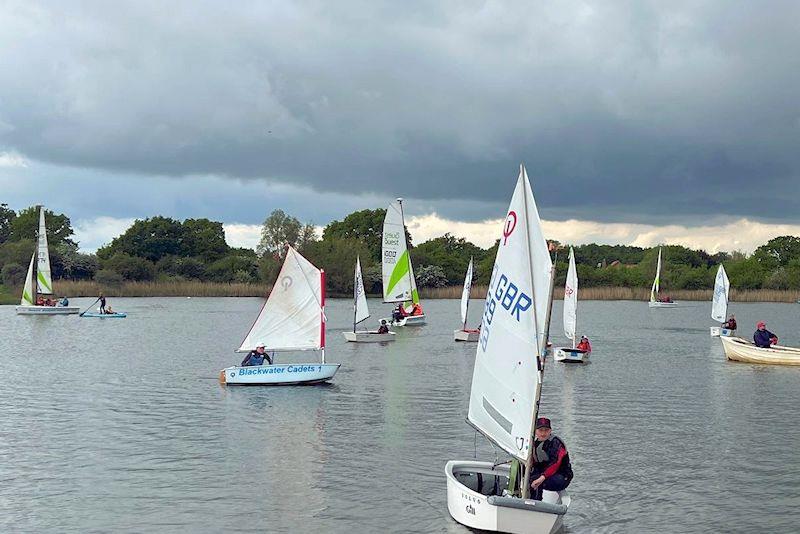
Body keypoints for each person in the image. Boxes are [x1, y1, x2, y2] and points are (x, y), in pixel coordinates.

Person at [529, 417, 573, 501]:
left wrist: (541, 478)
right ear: (535, 431)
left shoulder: (557, 443)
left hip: (562, 477)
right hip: (546, 474)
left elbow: (555, 463)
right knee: (526, 477)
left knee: (537, 482)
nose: (543, 433)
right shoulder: (535, 444)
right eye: (540, 430)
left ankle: (536, 505)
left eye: (546, 430)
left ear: (550, 431)